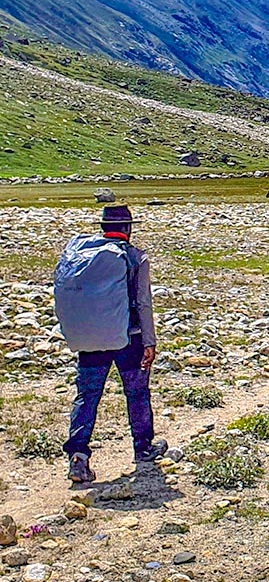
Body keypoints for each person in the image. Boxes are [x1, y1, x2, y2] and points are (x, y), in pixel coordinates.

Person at [60, 205, 167, 482]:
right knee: (137, 393)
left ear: (103, 227)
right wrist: (149, 341)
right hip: (129, 338)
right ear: (128, 228)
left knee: (87, 396)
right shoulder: (136, 257)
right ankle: (143, 448)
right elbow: (143, 302)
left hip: (91, 337)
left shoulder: (87, 256)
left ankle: (78, 457)